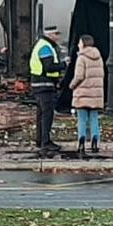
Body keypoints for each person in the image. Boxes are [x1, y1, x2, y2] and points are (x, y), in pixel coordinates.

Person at [29, 25, 66, 155]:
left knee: (41, 114)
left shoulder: (42, 44)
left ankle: (40, 140)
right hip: (44, 85)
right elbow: (49, 67)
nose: (58, 37)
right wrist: (64, 64)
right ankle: (46, 142)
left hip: (39, 85)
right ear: (50, 35)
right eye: (56, 34)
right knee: (47, 115)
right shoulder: (45, 47)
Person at [69, 34, 105, 157]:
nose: (78, 45)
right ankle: (95, 142)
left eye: (79, 42)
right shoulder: (98, 57)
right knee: (94, 118)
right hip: (95, 94)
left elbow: (79, 76)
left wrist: (71, 85)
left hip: (83, 93)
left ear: (83, 44)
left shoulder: (82, 58)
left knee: (82, 119)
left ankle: (81, 142)